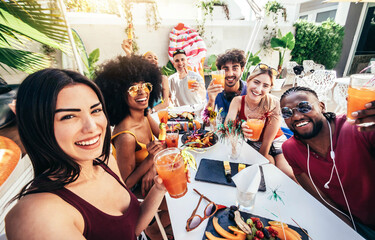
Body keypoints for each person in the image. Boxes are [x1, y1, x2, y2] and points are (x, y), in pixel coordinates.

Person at [5, 68, 167, 240]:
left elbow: (131, 229)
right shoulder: (38, 215)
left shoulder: (104, 162)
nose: (92, 127)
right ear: (37, 127)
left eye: (95, 110)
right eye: (68, 116)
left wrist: (159, 188)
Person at [280, 86, 375, 239]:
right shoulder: (290, 149)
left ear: (321, 106)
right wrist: (350, 232)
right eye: (287, 112)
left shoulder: (358, 127)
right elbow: (322, 199)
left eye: (304, 107)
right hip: (344, 224)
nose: (296, 117)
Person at [95, 55, 171, 239]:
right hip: (138, 192)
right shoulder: (126, 136)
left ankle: (157, 228)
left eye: (145, 85)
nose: (142, 92)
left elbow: (165, 141)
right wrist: (150, 160)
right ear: (118, 94)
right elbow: (125, 184)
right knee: (179, 193)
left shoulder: (144, 115)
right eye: (132, 88)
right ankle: (153, 231)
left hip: (153, 178)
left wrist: (152, 167)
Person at [225, 63, 296, 181]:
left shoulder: (274, 103)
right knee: (268, 168)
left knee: (288, 174)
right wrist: (239, 126)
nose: (258, 89)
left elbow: (267, 143)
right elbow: (228, 126)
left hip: (275, 141)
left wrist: (264, 157)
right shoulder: (237, 101)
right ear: (248, 81)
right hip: (254, 143)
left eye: (265, 86)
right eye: (256, 82)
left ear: (270, 88)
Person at [206, 49, 247, 120]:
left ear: (242, 69)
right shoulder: (214, 91)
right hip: (221, 130)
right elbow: (209, 121)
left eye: (235, 68)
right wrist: (211, 100)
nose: (230, 74)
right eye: (225, 69)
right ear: (219, 71)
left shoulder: (249, 90)